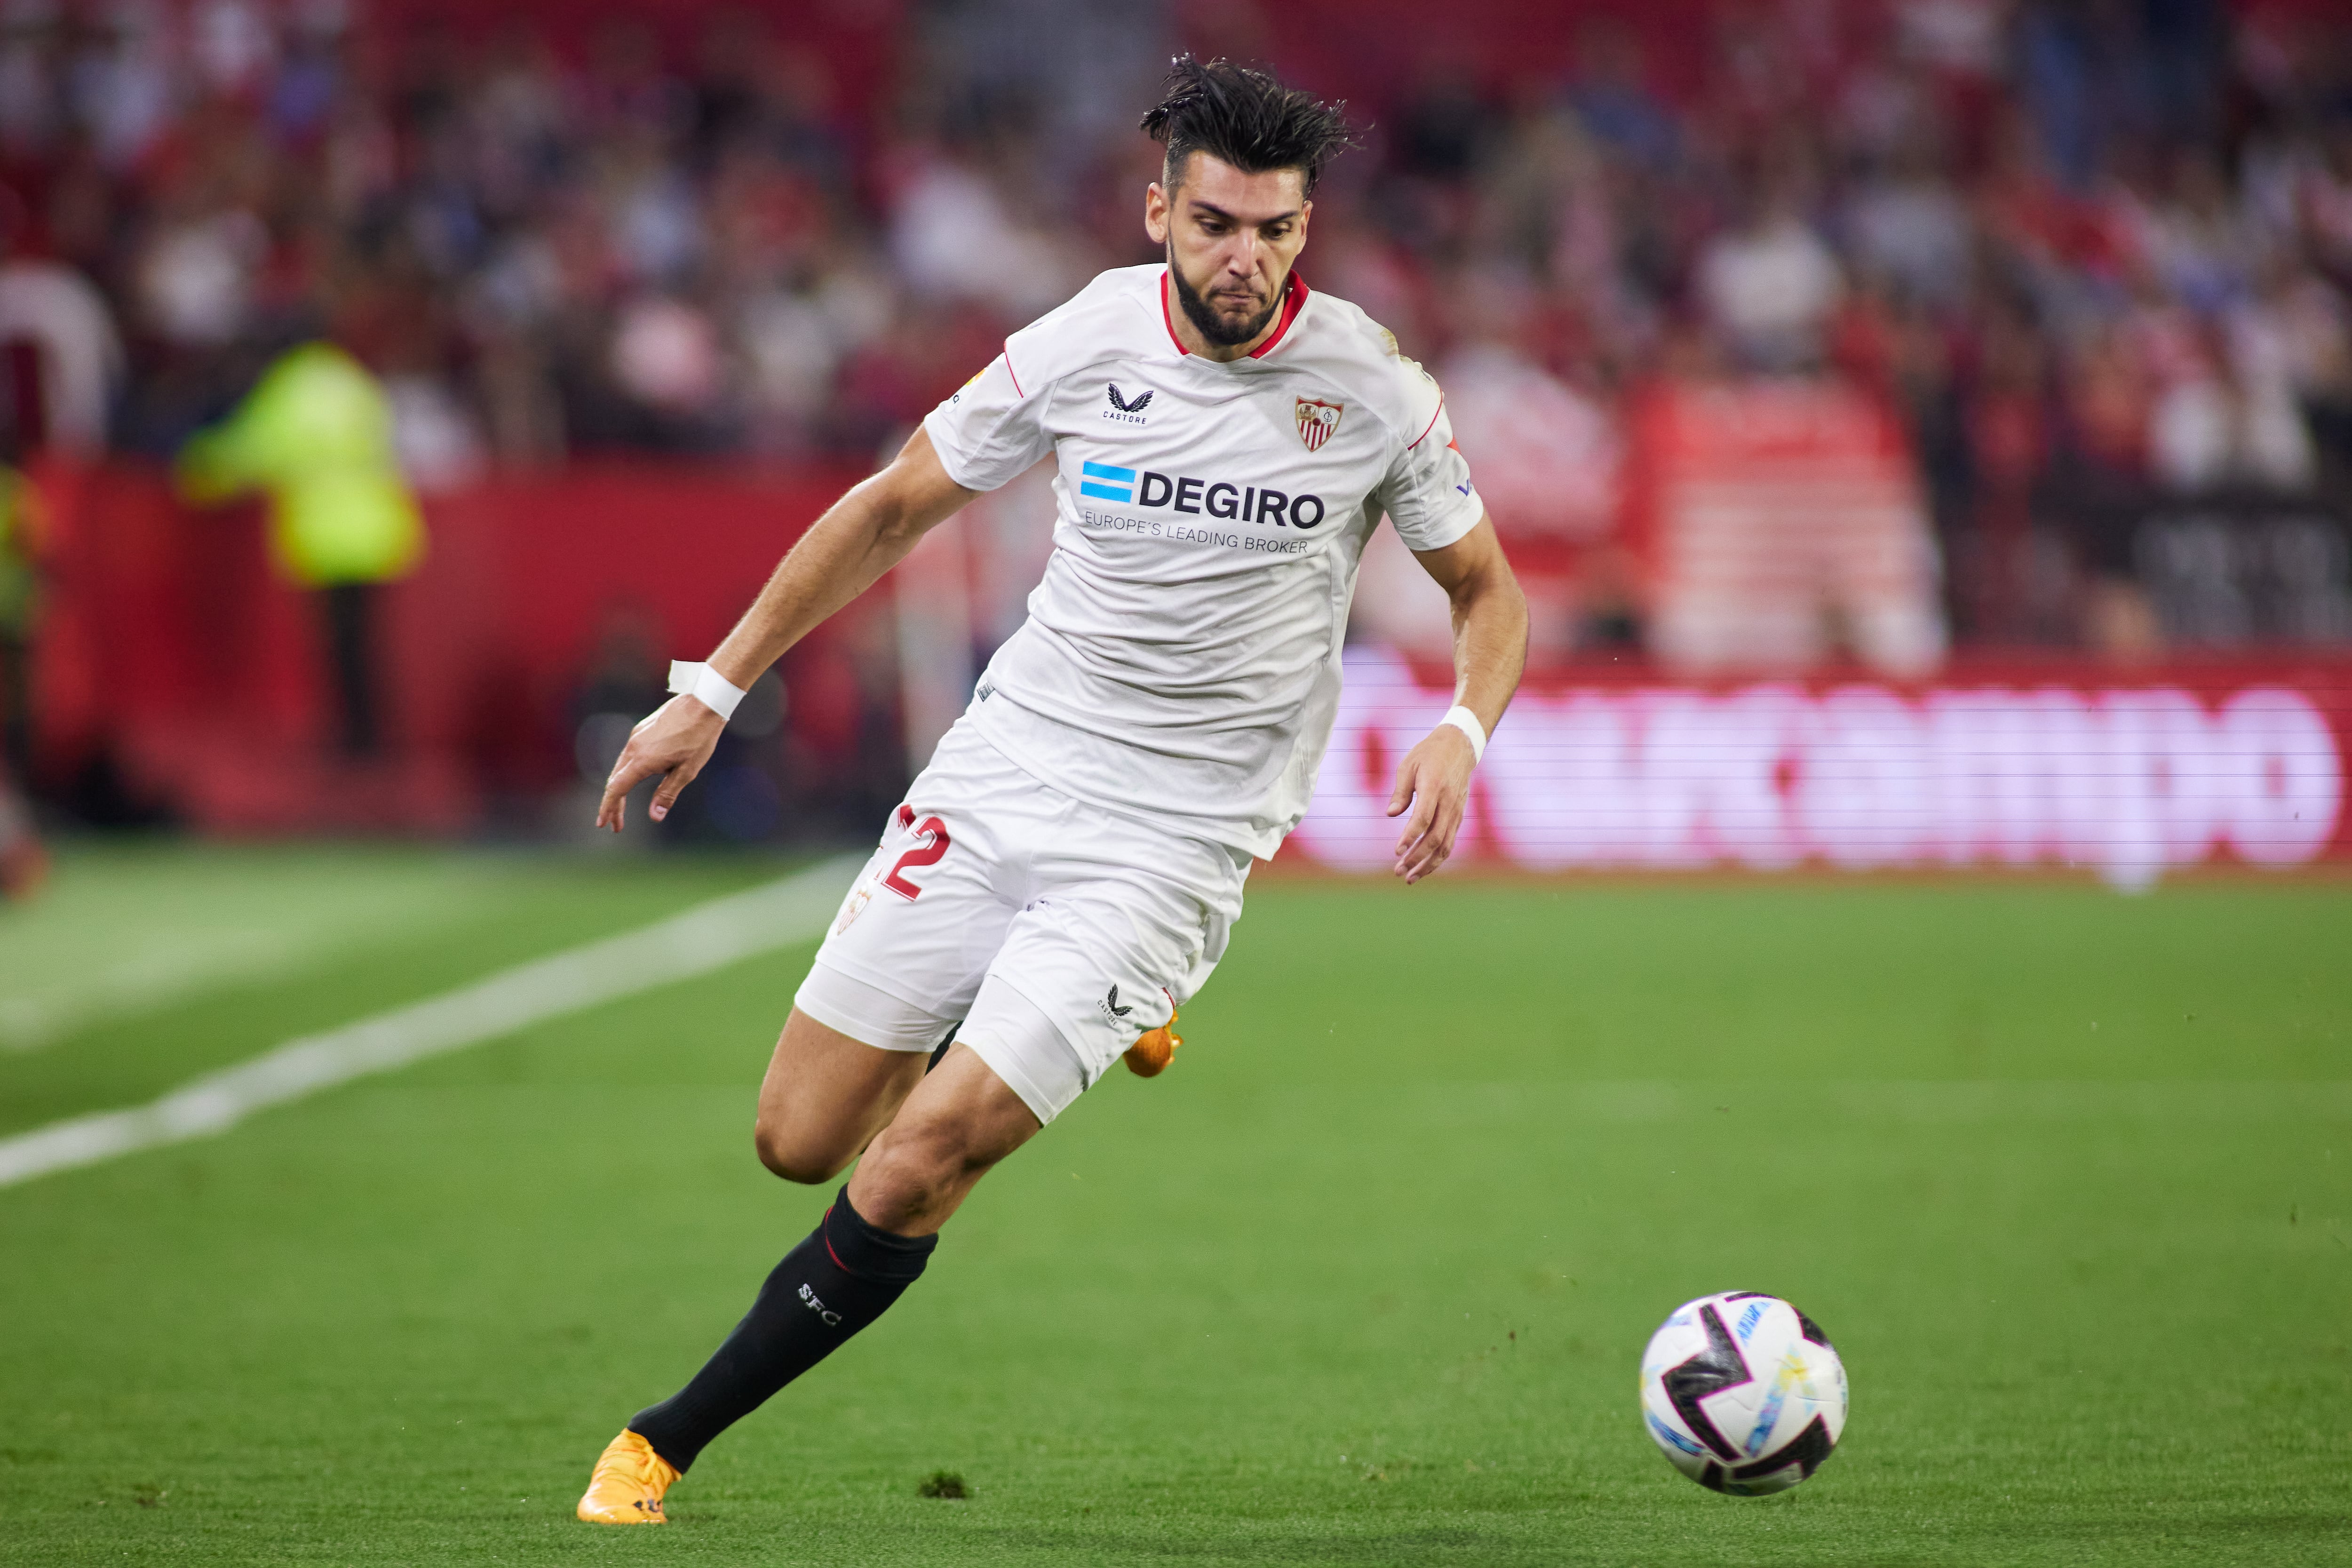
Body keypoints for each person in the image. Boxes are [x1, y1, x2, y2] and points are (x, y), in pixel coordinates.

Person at [576, 57, 1529, 1526]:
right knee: (798, 1142)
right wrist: (713, 688)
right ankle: (1051, 1001)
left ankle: (662, 1439)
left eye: (1275, 230)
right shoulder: (1083, 338)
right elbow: (898, 502)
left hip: (1171, 845)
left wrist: (1463, 725)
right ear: (1157, 212)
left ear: (1305, 230)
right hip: (1007, 769)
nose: (1246, 258)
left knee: (916, 1161)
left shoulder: (1373, 386)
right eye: (1216, 223)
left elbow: (1485, 590)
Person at [175, 342, 425, 758]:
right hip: (377, 528)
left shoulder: (293, 388)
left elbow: (256, 449)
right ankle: (373, 738)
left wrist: (200, 470)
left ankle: (357, 742)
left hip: (328, 535)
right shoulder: (355, 382)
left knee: (340, 647)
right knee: (364, 645)